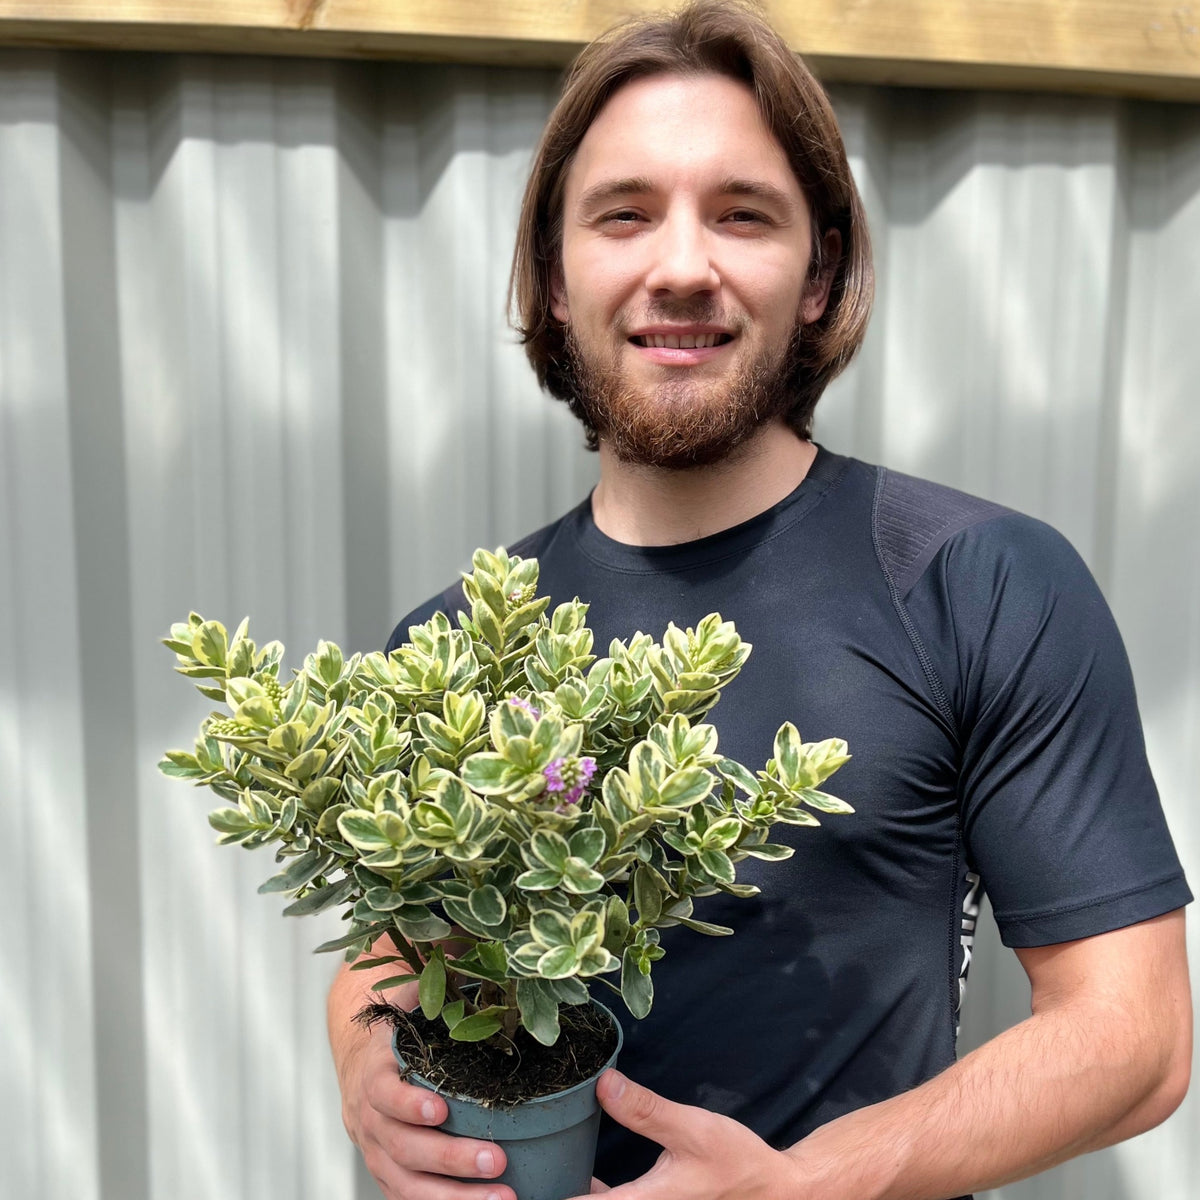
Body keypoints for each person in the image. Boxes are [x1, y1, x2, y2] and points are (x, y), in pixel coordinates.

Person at [327, 4, 1193, 1198]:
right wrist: (365, 1062)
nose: (682, 265)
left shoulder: (978, 582)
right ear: (554, 272)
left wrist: (812, 1185)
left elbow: (1134, 1039)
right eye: (624, 214)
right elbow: (395, 950)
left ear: (820, 271)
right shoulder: (451, 646)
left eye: (742, 214)